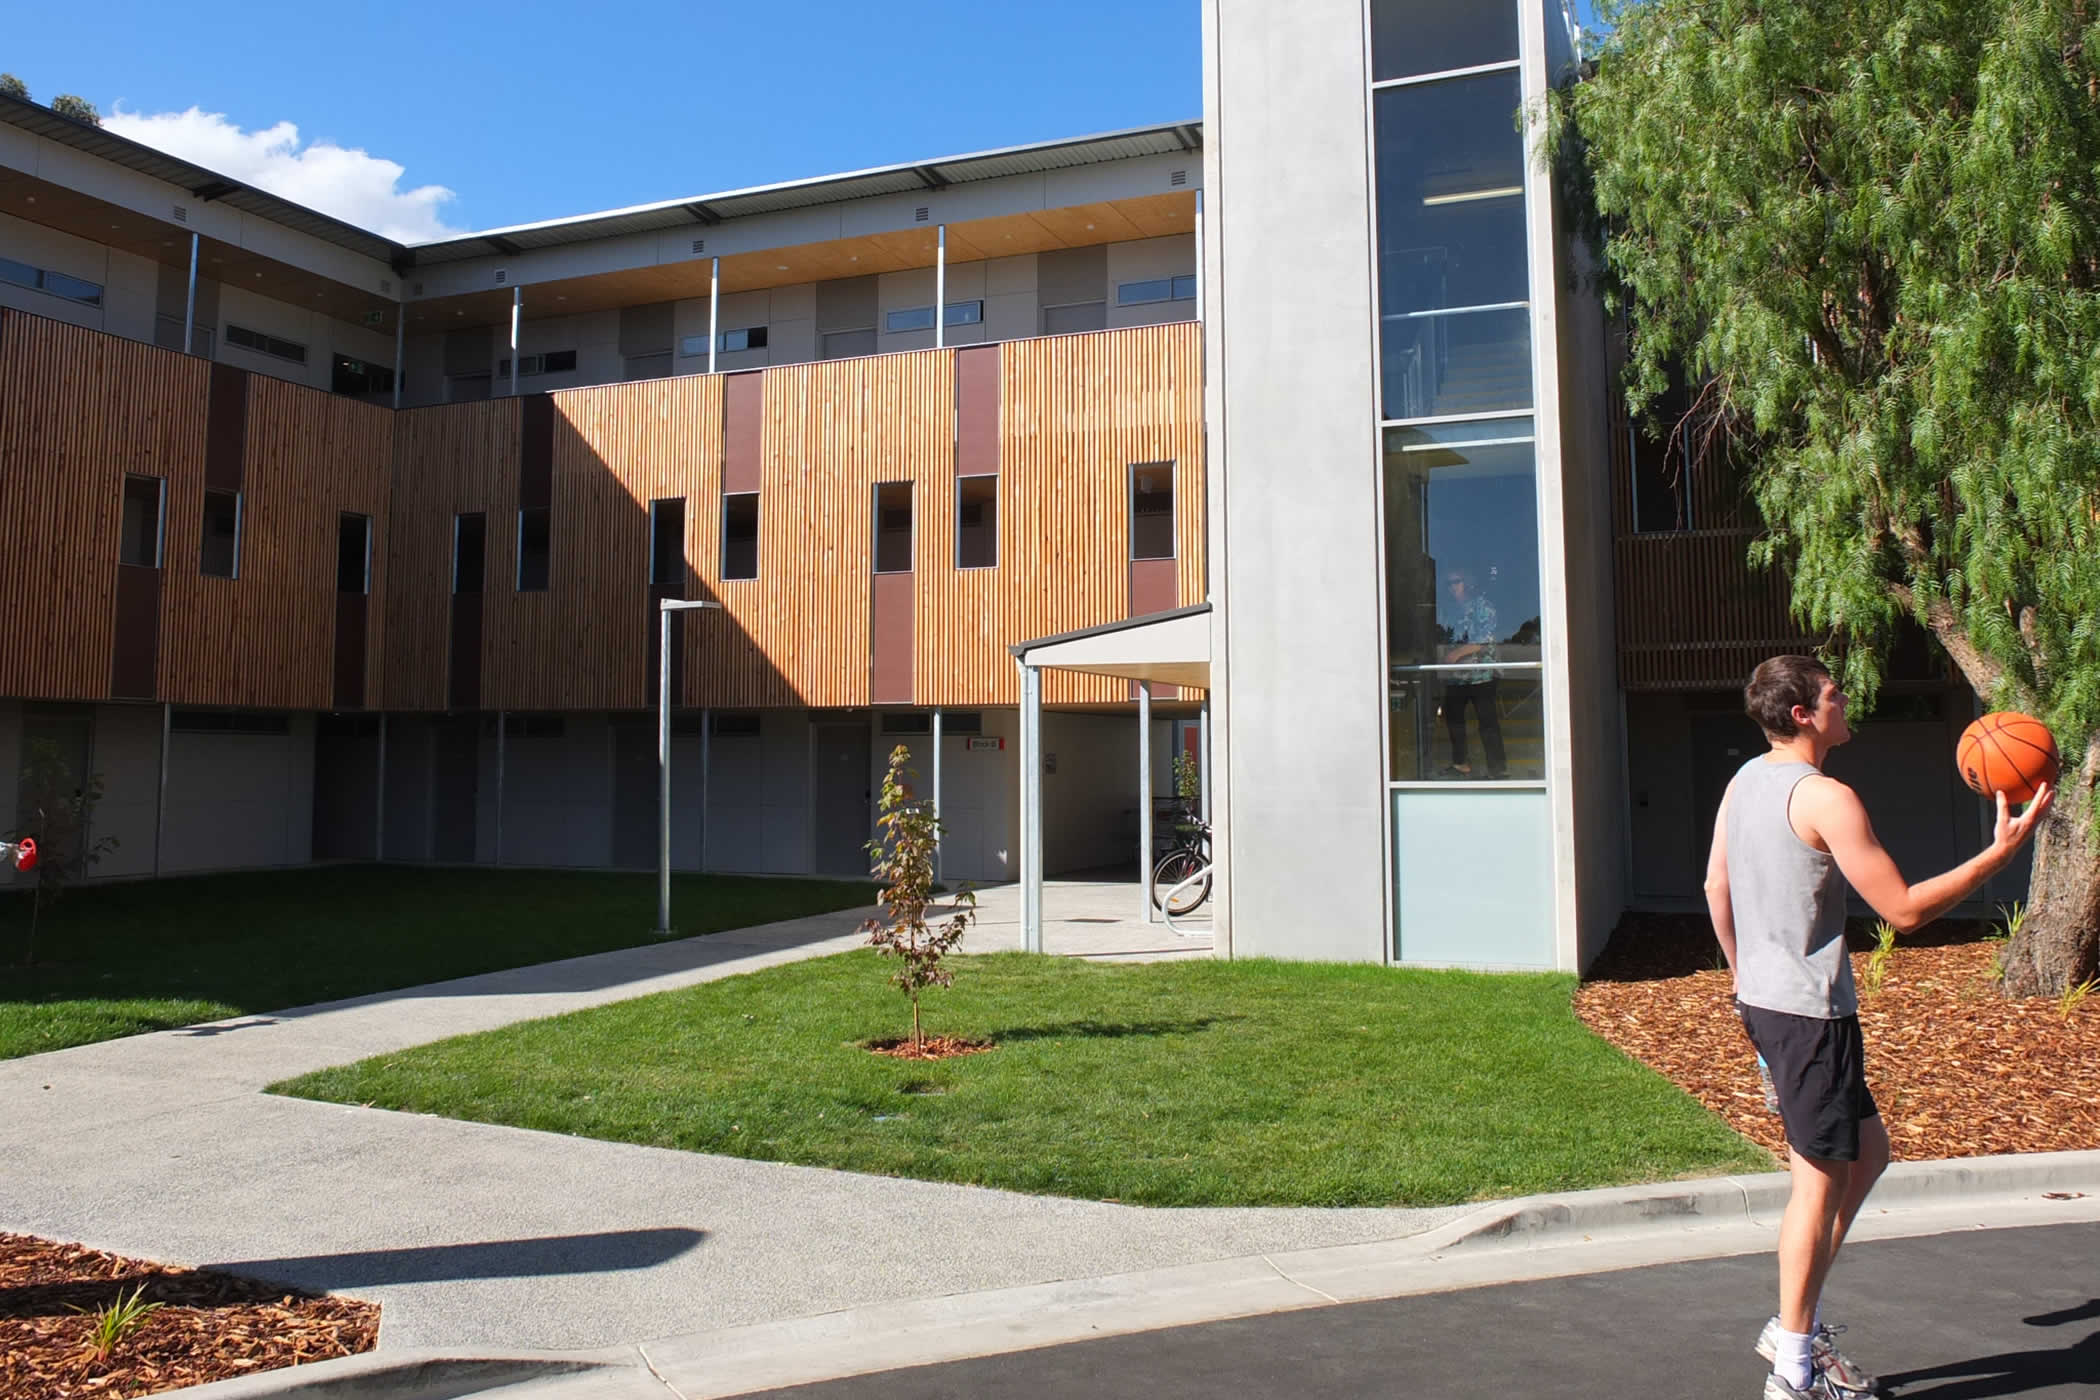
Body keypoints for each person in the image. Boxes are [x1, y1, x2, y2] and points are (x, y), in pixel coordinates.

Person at [1705, 655, 2053, 1399]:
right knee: (1818, 1183)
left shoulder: (1744, 782)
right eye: (1832, 694)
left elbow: (1715, 885)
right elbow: (1902, 909)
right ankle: (1795, 1365)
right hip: (1807, 1015)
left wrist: (1741, 975)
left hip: (1770, 1005)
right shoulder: (1827, 798)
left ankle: (1794, 1323)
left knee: (1867, 1153)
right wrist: (2000, 853)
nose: (1844, 700)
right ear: (1803, 714)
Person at [1439, 566, 1506, 779]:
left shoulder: (1482, 606)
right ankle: (1461, 763)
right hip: (1458, 676)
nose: (1452, 587)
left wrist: (1457, 653)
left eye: (1456, 581)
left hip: (1482, 674)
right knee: (1453, 716)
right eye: (1448, 583)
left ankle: (1497, 768)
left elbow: (1485, 640)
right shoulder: (1449, 610)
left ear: (1465, 582)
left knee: (1487, 722)